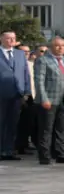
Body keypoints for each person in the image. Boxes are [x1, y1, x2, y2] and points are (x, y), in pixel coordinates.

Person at [33, 36, 64, 165]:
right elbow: (39, 81)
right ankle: (44, 156)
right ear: (51, 47)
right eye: (57, 45)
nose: (60, 48)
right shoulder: (43, 60)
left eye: (63, 46)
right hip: (49, 100)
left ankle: (60, 154)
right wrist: (44, 98)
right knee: (46, 129)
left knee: (61, 129)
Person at [0, 30, 31, 161]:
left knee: (13, 123)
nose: (12, 40)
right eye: (8, 38)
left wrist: (27, 91)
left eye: (13, 38)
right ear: (1, 39)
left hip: (17, 94)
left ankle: (9, 150)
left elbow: (25, 73)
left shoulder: (20, 54)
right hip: (2, 93)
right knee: (1, 122)